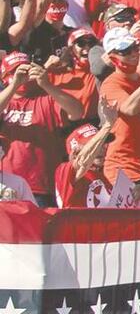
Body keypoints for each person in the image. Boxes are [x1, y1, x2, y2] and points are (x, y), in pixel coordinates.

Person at [0, 52, 85, 207]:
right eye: (15, 71)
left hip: (42, 186)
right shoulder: (6, 101)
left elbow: (77, 112)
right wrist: (14, 85)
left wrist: (46, 84)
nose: (24, 74)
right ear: (5, 77)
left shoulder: (47, 98)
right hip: (6, 185)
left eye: (26, 69)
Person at [99, 27, 140, 200]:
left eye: (135, 48)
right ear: (112, 57)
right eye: (125, 51)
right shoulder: (110, 83)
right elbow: (130, 108)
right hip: (123, 168)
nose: (133, 54)